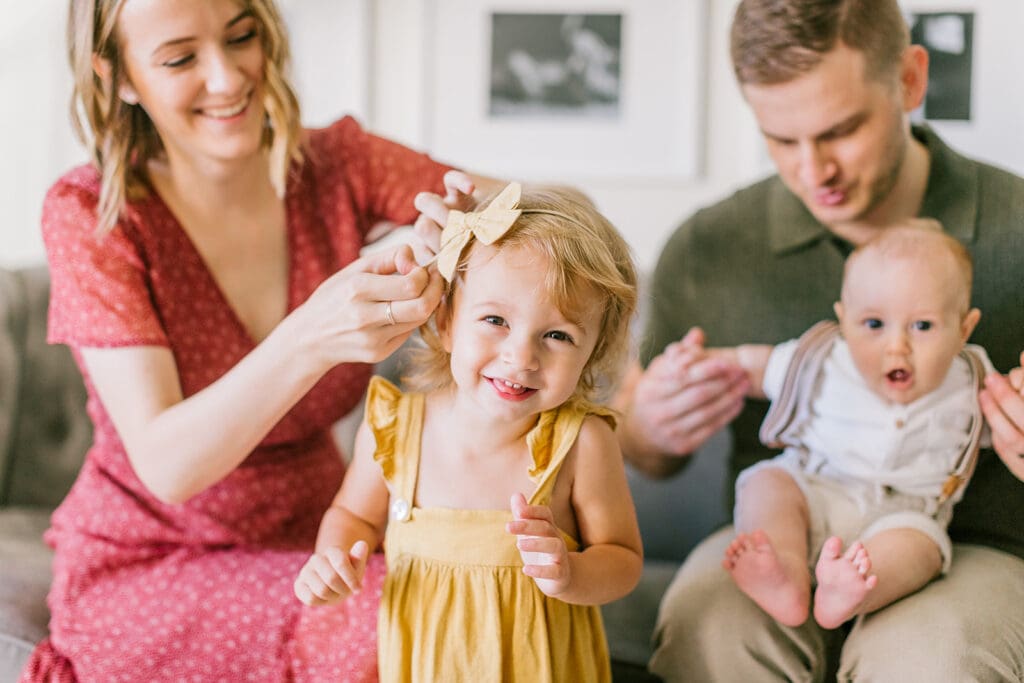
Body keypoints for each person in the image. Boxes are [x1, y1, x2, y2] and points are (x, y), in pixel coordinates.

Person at [21, 1, 499, 681]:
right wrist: (309, 334)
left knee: (485, 590)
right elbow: (167, 463)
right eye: (181, 58)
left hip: (326, 538)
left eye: (242, 36)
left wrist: (462, 232)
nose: (228, 77)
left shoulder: (337, 164)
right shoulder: (92, 214)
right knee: (406, 610)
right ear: (116, 75)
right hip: (155, 559)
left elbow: (547, 216)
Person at [612, 0, 1024, 679]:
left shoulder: (1014, 226)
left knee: (933, 658)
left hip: (964, 548)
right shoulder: (708, 246)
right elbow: (637, 445)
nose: (814, 172)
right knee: (707, 624)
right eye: (781, 139)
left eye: (842, 130)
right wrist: (650, 428)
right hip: (785, 532)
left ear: (910, 81)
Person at [294, 182, 643, 682]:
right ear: (446, 322)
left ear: (594, 351)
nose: (521, 357)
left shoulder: (581, 443)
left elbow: (624, 560)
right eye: (495, 320)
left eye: (558, 335)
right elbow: (353, 516)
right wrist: (333, 557)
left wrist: (572, 571)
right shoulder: (396, 430)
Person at [719, 223, 990, 630]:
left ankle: (847, 594)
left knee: (922, 550)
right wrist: (697, 365)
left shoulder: (973, 380)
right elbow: (750, 365)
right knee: (767, 485)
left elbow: (1010, 419)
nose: (896, 346)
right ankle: (784, 573)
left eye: (922, 326)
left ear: (963, 329)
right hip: (814, 488)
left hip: (902, 514)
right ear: (844, 321)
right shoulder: (824, 360)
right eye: (874, 325)